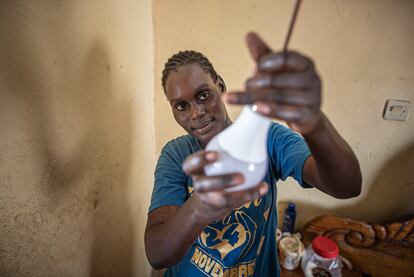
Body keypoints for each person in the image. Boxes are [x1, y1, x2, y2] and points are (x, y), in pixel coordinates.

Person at [145, 32, 362, 277]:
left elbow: (348, 186)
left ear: (221, 85)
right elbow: (157, 254)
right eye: (181, 106)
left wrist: (313, 122)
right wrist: (198, 208)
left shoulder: (268, 138)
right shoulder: (175, 155)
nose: (195, 114)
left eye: (203, 95)